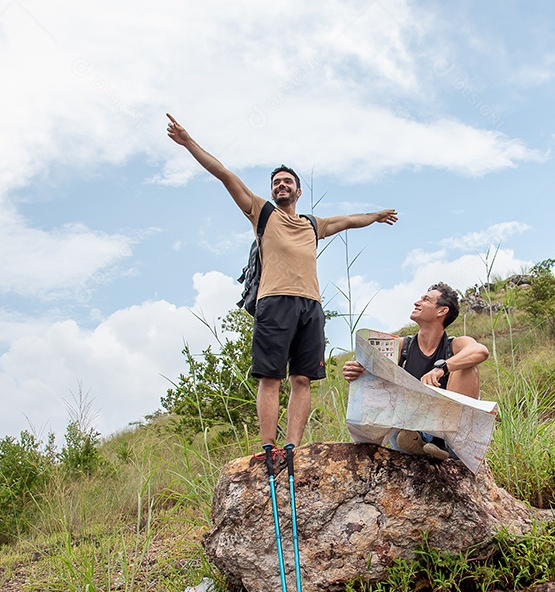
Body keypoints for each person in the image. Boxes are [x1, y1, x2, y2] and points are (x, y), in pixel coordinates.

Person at [166, 114, 398, 458]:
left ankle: (293, 446)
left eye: (288, 182)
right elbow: (225, 175)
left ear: (298, 191)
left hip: (311, 307)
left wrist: (376, 216)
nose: (281, 186)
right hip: (274, 302)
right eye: (277, 183)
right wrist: (189, 143)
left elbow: (348, 220)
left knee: (302, 379)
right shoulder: (262, 213)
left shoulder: (312, 224)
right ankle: (268, 446)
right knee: (270, 377)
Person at [342, 282, 490, 460]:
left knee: (468, 368)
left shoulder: (456, 344)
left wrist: (442, 368)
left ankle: (441, 444)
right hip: (408, 433)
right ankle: (421, 444)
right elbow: (370, 378)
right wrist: (355, 372)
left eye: (426, 300)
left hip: (451, 438)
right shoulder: (402, 346)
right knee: (376, 374)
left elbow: (481, 351)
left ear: (441, 311)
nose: (417, 302)